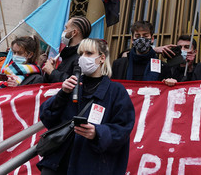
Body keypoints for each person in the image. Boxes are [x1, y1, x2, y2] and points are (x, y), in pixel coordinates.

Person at [37, 39, 135, 175]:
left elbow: (123, 129)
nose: (83, 58)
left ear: (101, 58)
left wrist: (97, 133)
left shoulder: (116, 91)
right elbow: (46, 117)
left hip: (91, 164)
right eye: (81, 53)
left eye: (89, 53)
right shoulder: (71, 84)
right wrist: (62, 94)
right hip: (57, 163)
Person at [43, 17, 91, 83]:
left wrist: (52, 72)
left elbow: (75, 82)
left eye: (66, 28)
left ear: (74, 32)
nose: (64, 31)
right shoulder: (68, 53)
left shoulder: (81, 57)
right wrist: (51, 71)